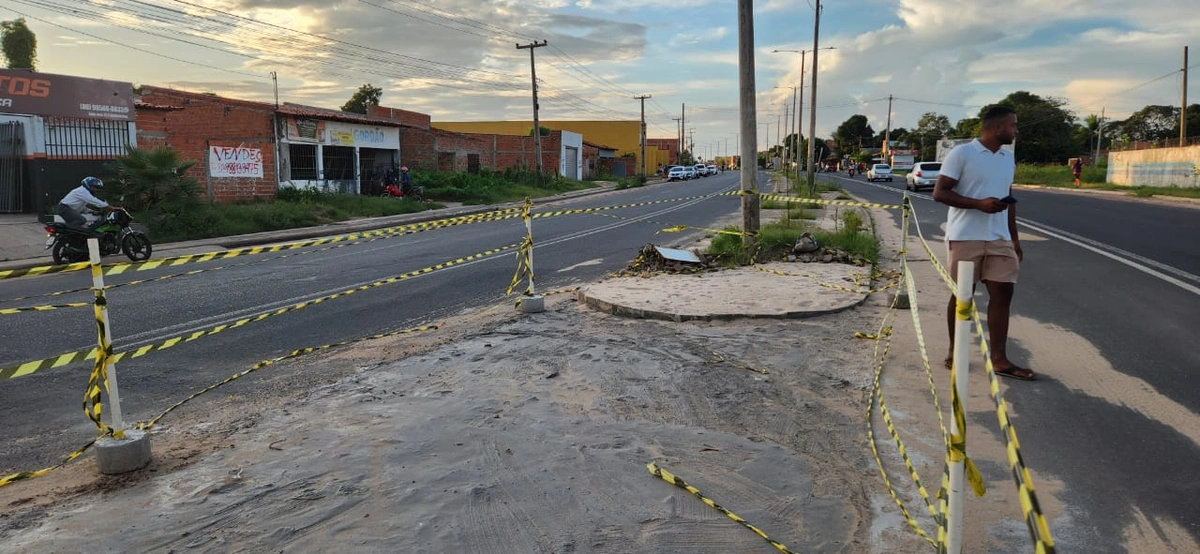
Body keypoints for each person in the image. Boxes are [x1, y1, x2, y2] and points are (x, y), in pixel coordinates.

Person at [932, 105, 1034, 381]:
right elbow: (940, 193)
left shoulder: (1006, 158)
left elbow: (1008, 198)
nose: (1016, 130)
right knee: (962, 296)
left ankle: (999, 359)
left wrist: (1014, 238)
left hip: (999, 238)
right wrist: (978, 204)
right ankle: (956, 352)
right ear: (997, 127)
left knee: (1003, 295)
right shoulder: (962, 153)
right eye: (1013, 125)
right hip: (965, 237)